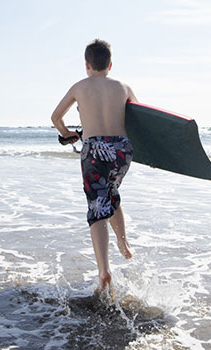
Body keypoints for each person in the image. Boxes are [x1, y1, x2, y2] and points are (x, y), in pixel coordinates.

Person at [50, 39, 137, 295]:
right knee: (110, 192)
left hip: (95, 150)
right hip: (122, 150)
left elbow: (55, 117)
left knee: (97, 207)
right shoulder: (124, 87)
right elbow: (140, 121)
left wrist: (67, 134)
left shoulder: (80, 86)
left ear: (87, 64)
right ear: (110, 65)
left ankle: (104, 271)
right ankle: (124, 243)